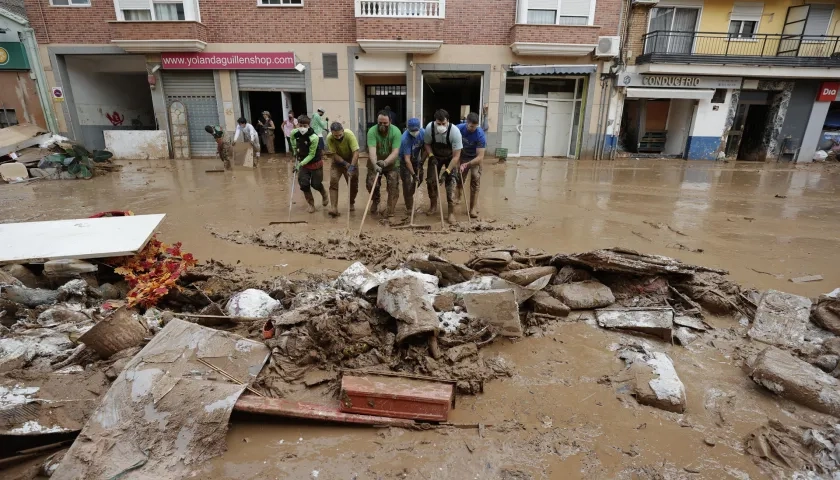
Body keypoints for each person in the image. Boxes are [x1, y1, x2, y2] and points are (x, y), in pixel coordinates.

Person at [422, 109, 463, 224]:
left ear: (448, 121)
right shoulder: (430, 128)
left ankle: (450, 213)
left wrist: (447, 172)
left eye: (443, 124)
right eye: (438, 124)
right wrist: (431, 156)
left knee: (451, 183)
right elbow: (427, 144)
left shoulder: (455, 132)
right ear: (435, 122)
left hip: (451, 158)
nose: (440, 126)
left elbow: (456, 156)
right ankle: (433, 206)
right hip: (435, 156)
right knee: (431, 181)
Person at [366, 110, 402, 218]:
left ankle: (390, 208)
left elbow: (395, 152)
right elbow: (372, 151)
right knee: (371, 184)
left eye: (385, 123)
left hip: (391, 163)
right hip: (375, 162)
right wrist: (375, 164)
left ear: (390, 121)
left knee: (393, 186)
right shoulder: (371, 131)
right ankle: (375, 201)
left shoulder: (396, 132)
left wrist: (385, 162)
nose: (382, 125)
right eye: (380, 123)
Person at [291, 115, 328, 213]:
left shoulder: (314, 137)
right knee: (304, 184)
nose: (302, 128)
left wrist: (299, 165)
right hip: (303, 164)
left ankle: (324, 194)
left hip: (315, 162)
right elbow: (292, 141)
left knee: (315, 184)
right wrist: (295, 150)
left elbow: (311, 154)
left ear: (309, 125)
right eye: (300, 125)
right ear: (297, 124)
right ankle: (311, 204)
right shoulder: (294, 133)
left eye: (305, 125)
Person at [325, 122, 359, 217]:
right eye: (335, 135)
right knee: (333, 181)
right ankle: (334, 208)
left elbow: (356, 152)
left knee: (353, 184)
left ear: (343, 131)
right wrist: (344, 163)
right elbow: (333, 154)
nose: (338, 137)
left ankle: (351, 202)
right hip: (337, 162)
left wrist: (351, 166)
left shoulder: (349, 135)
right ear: (332, 133)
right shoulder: (329, 138)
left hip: (351, 160)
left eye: (340, 135)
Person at [456, 112, 486, 219]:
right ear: (466, 123)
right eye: (471, 126)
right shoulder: (458, 129)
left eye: (475, 126)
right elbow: (453, 144)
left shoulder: (480, 135)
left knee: (475, 179)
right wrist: (458, 160)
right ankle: (458, 197)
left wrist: (467, 164)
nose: (473, 128)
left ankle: (472, 208)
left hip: (475, 159)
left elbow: (480, 157)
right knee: (460, 178)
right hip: (463, 156)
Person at [398, 118, 424, 216]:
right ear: (408, 129)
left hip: (416, 159)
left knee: (420, 177)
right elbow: (407, 160)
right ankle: (409, 206)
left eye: (416, 130)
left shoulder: (423, 133)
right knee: (407, 182)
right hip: (404, 160)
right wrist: (413, 174)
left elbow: (426, 148)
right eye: (412, 130)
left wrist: (422, 161)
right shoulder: (405, 138)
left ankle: (409, 194)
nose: (414, 132)